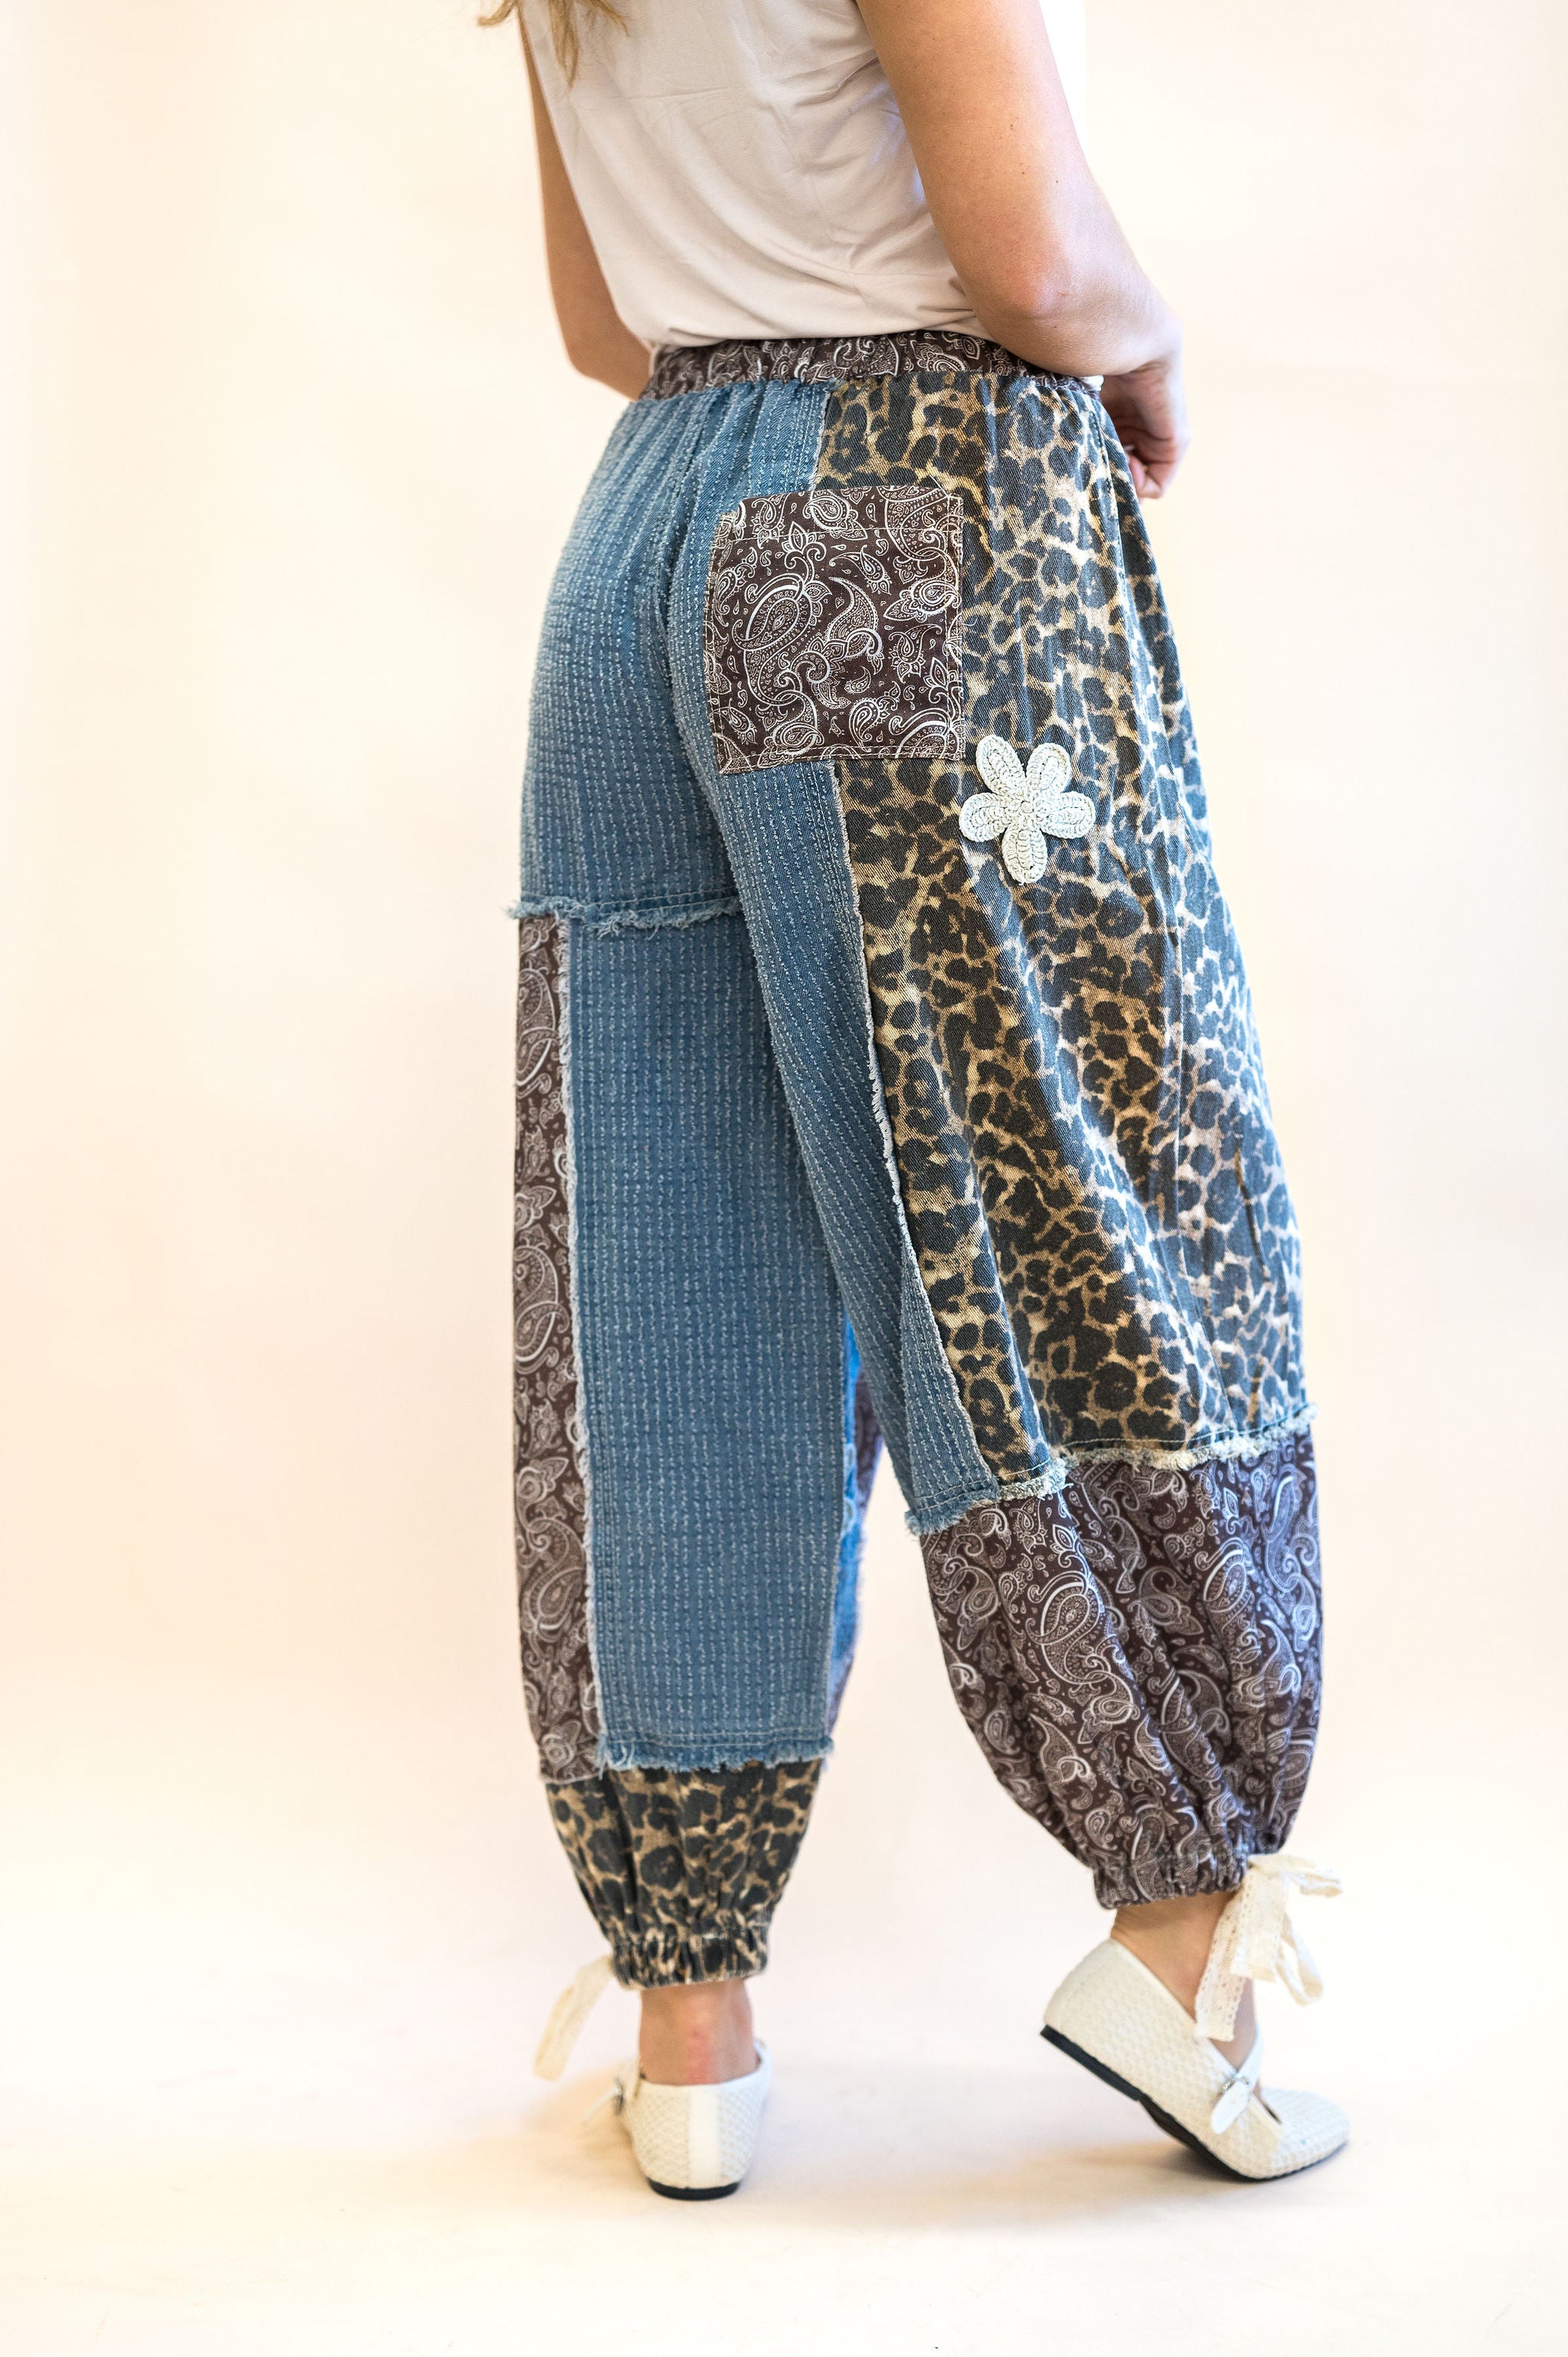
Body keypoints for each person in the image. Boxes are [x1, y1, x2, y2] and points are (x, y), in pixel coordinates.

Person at [493, 0, 1344, 2198]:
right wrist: (1145, 337)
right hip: (900, 488)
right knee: (1058, 1179)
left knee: (674, 1225)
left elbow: (604, 319)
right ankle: (1181, 1922)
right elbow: (1030, 254)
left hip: (648, 537)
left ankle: (691, 2007)